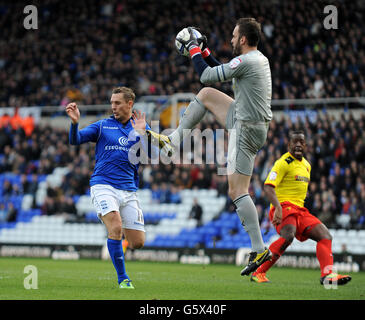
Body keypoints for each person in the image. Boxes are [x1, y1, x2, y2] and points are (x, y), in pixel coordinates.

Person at [155, 18, 273, 275]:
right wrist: (204, 51)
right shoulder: (255, 60)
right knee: (206, 94)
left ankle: (260, 248)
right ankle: (173, 141)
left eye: (233, 36)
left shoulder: (246, 61)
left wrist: (193, 49)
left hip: (247, 127)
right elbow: (219, 72)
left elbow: (206, 74)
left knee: (236, 190)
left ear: (242, 39)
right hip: (245, 118)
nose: (230, 40)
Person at [66, 86, 158, 289]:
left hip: (129, 190)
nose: (113, 106)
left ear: (130, 104)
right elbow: (75, 140)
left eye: (117, 103)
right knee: (115, 227)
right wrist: (74, 123)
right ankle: (123, 279)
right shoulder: (102, 126)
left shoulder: (141, 126)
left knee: (137, 243)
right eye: (111, 103)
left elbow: (153, 155)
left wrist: (144, 134)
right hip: (103, 185)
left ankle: (117, 240)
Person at [251, 131, 351, 286]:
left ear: (305, 145)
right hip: (283, 206)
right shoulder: (282, 162)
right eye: (294, 142)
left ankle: (327, 275)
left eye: (301, 142)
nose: (298, 144)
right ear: (289, 144)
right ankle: (258, 272)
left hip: (299, 210)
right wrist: (277, 207)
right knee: (288, 236)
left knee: (325, 235)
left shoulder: (307, 165)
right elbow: (268, 187)